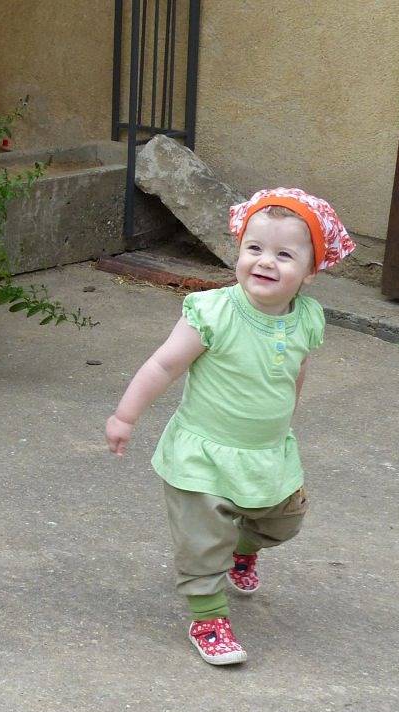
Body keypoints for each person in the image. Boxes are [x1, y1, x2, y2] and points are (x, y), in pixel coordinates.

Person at [106, 188, 355, 665]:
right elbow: (162, 366)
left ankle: (245, 550)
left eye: (284, 254)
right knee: (203, 544)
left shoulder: (306, 318)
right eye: (254, 248)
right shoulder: (214, 312)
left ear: (310, 270)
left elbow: (295, 369)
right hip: (202, 452)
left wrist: (286, 420)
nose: (265, 262)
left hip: (266, 448)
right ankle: (209, 618)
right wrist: (125, 415)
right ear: (238, 251)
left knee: (284, 521)